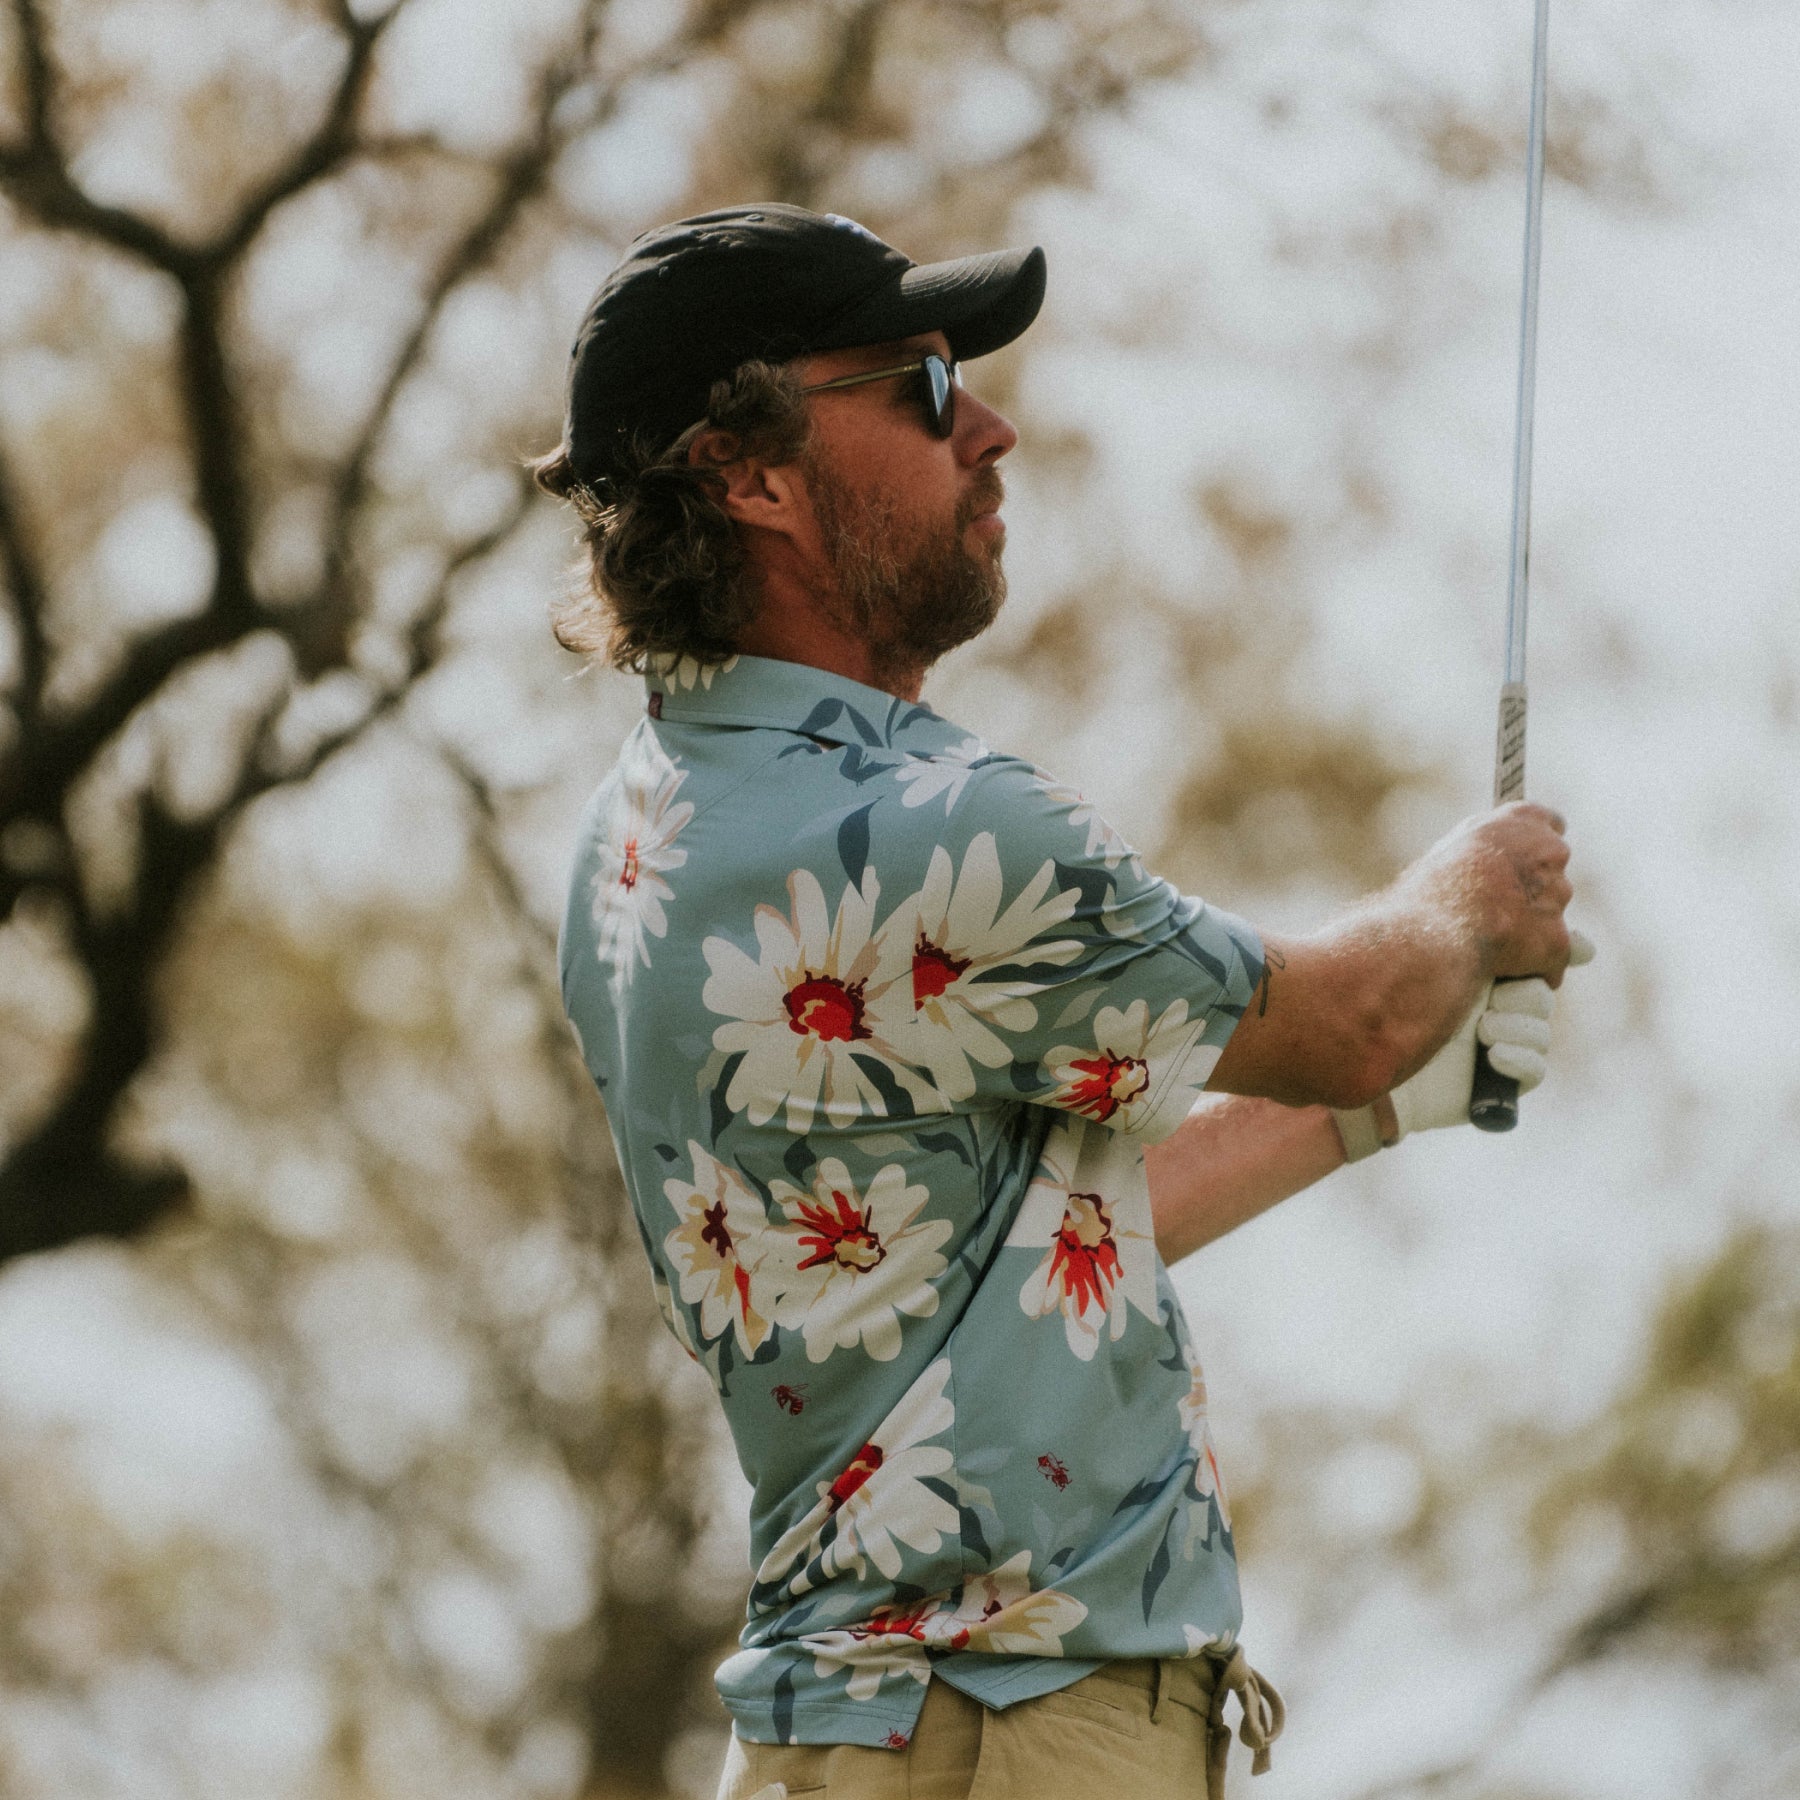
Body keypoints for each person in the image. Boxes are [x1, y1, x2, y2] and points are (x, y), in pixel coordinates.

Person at [537, 205, 1587, 1800]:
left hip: (854, 1735)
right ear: (749, 473)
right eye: (925, 388)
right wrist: (1476, 893)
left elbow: (1033, 1252)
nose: (994, 425)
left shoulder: (646, 830)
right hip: (1002, 1733)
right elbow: (1352, 1008)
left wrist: (1381, 1110)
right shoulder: (920, 825)